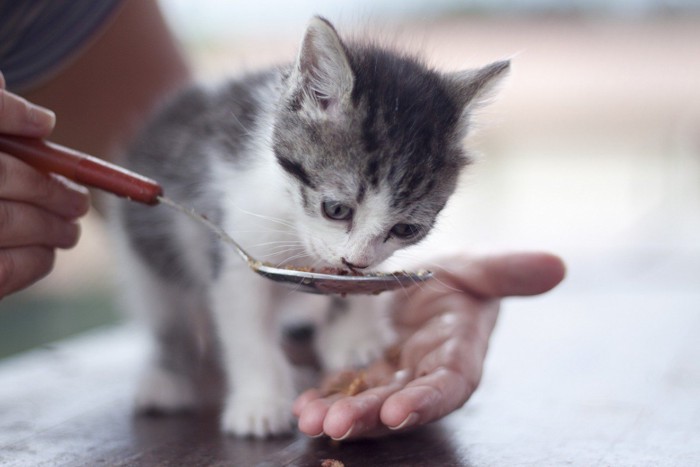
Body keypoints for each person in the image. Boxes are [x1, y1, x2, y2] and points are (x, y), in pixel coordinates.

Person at [0, 0, 565, 439]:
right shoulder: (273, 161)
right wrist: (257, 377)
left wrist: (375, 306)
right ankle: (177, 356)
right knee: (223, 279)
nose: (359, 257)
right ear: (312, 96)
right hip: (181, 233)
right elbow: (232, 267)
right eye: (337, 211)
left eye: (404, 230)